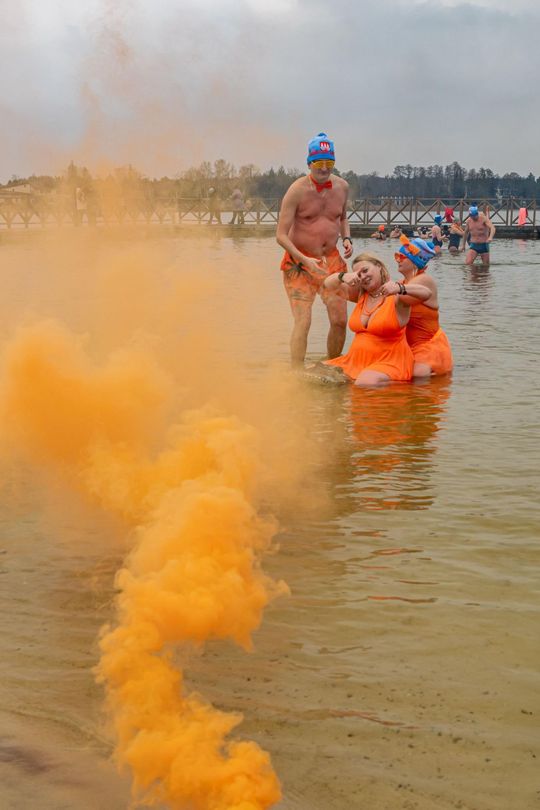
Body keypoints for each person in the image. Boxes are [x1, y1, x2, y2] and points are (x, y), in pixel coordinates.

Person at [276, 132, 353, 366]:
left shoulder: (342, 187)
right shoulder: (297, 190)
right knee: (303, 322)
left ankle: (334, 365)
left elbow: (342, 217)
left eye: (329, 163)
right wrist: (306, 260)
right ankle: (296, 371)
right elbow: (280, 235)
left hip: (331, 261)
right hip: (299, 263)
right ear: (309, 163)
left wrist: (347, 238)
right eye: (319, 163)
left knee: (340, 320)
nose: (324, 169)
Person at [321, 253, 431, 387]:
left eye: (365, 270)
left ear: (379, 266)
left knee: (365, 382)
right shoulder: (360, 295)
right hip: (355, 361)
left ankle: (401, 388)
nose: (363, 276)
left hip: (390, 362)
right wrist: (343, 276)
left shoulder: (396, 297)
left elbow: (426, 293)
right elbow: (328, 285)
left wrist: (401, 288)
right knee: (312, 371)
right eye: (358, 275)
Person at [386, 236, 453, 377]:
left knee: (417, 376)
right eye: (397, 256)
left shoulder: (424, 280)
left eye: (402, 256)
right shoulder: (401, 283)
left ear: (415, 261)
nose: (398, 260)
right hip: (406, 345)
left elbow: (400, 298)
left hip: (427, 345)